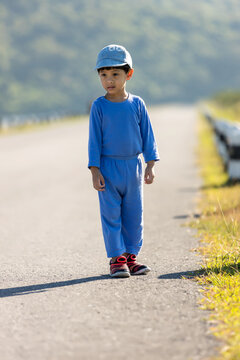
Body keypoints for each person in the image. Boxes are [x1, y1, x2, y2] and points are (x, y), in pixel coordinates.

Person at [88, 44, 160, 278]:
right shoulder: (99, 106)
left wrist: (150, 164)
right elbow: (94, 140)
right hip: (108, 168)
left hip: (133, 167)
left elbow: (148, 135)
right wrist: (94, 170)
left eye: (115, 74)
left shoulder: (137, 104)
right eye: (104, 75)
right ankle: (116, 259)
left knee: (133, 213)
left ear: (128, 74)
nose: (109, 80)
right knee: (110, 214)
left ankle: (131, 257)